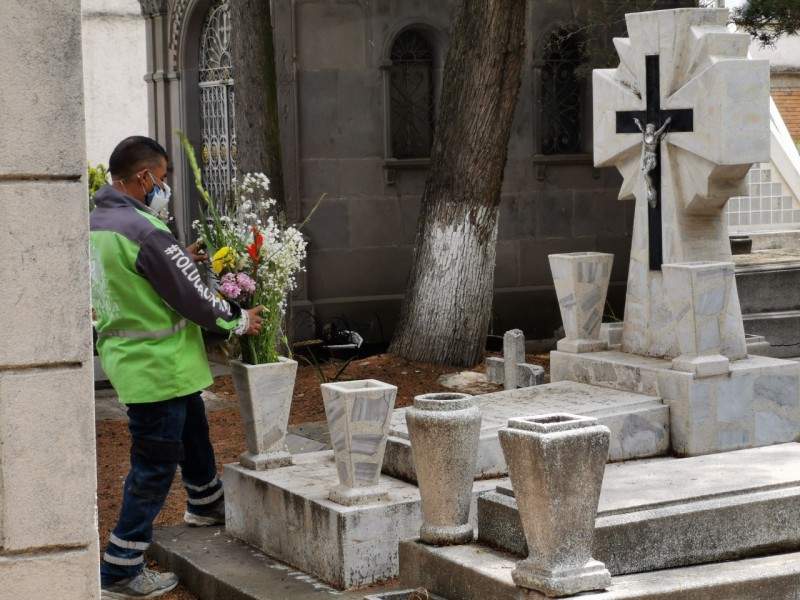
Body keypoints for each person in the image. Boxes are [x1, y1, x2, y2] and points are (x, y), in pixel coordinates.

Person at [90, 136, 263, 599]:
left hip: (143, 361)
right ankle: (121, 568)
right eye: (162, 179)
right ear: (143, 176)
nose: (163, 187)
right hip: (157, 366)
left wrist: (177, 259)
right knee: (153, 466)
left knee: (193, 429)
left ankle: (206, 504)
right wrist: (239, 319)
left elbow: (135, 281)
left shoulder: (99, 222)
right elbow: (191, 297)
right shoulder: (146, 231)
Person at [633, 116, 671, 209]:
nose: (648, 129)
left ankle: (652, 190)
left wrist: (666, 123)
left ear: (652, 129)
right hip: (646, 158)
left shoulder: (655, 135)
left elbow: (661, 130)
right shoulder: (645, 135)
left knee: (645, 173)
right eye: (647, 128)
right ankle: (650, 192)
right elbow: (641, 129)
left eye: (649, 128)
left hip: (652, 158)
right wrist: (637, 122)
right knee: (645, 175)